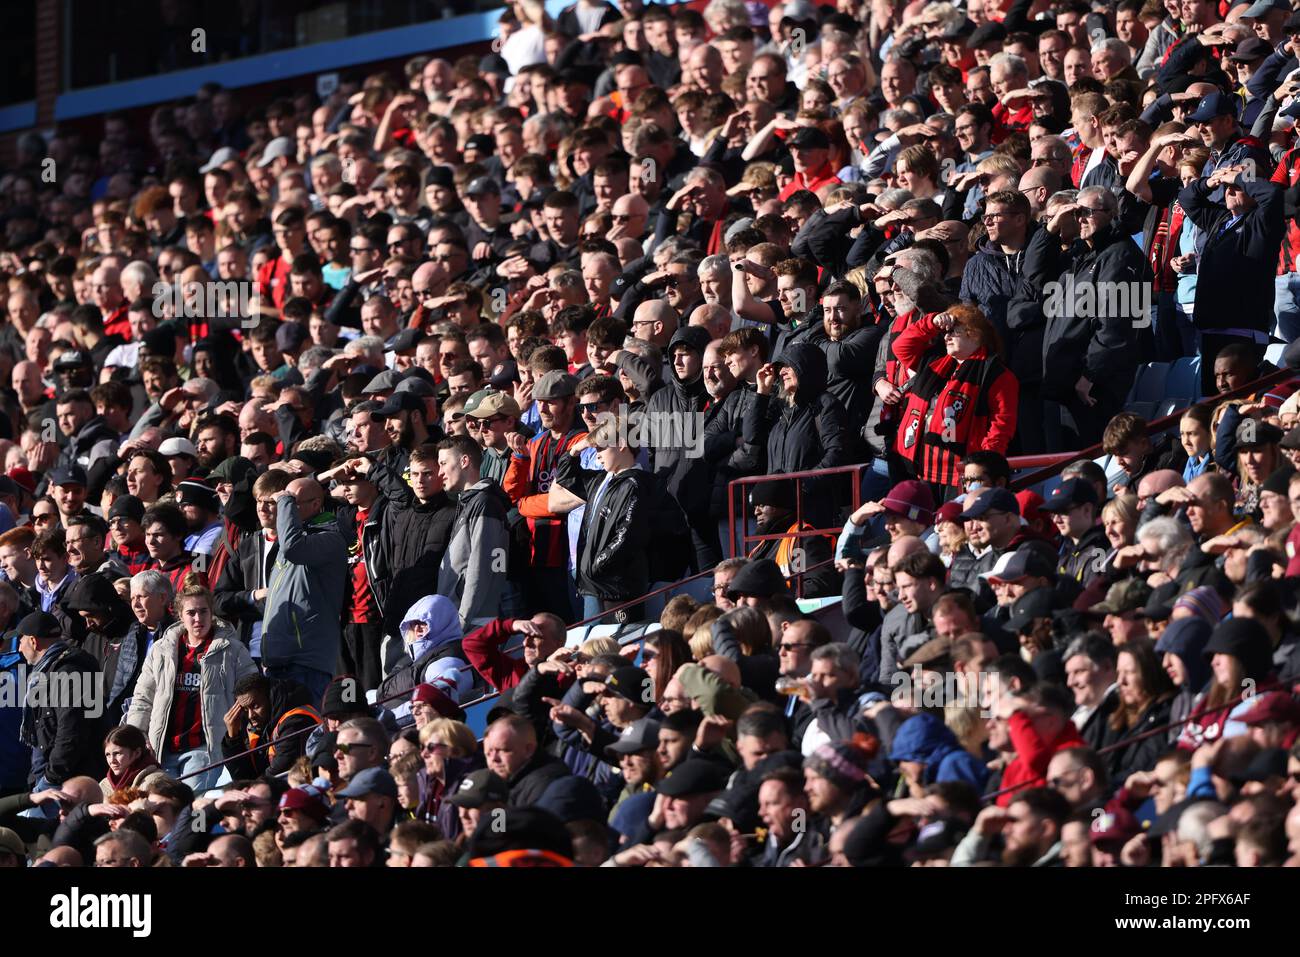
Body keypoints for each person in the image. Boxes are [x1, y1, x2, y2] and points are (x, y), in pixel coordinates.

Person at [126, 585, 258, 791]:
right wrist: (135, 737)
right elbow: (143, 698)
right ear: (180, 615)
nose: (198, 618)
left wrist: (238, 730)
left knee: (191, 807)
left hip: (204, 749)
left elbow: (252, 691)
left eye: (203, 611)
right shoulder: (161, 649)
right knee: (159, 806)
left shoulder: (232, 649)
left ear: (212, 613)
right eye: (191, 613)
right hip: (163, 749)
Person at [262, 477, 348, 704]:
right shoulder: (289, 538)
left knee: (302, 729)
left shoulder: (330, 538)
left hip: (306, 662)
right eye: (284, 500)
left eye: (292, 501)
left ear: (315, 505)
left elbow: (294, 549)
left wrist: (284, 501)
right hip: (277, 660)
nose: (283, 506)